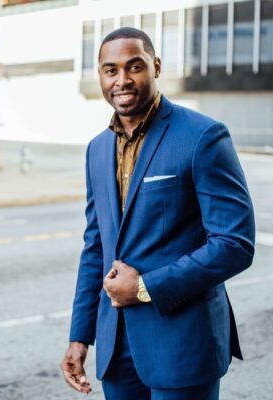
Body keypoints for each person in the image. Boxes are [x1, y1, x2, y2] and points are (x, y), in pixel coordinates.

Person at [60, 27, 255, 400]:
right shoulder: (97, 149)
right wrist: (80, 335)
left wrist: (146, 287)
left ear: (156, 67)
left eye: (134, 67)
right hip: (116, 346)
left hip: (182, 342)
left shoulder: (202, 136)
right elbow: (96, 246)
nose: (122, 80)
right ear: (99, 75)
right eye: (110, 70)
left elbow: (235, 244)